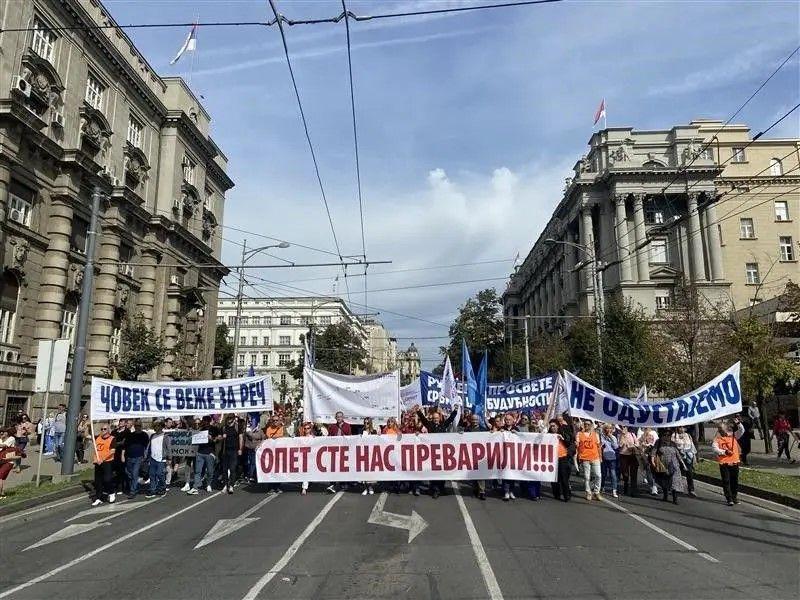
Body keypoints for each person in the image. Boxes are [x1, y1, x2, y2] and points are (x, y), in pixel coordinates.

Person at [415, 404, 458, 499]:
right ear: (432, 419)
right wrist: (418, 411)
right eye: (434, 418)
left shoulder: (443, 425)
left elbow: (450, 419)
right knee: (434, 472)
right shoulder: (429, 425)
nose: (436, 419)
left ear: (439, 418)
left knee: (442, 472)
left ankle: (441, 487)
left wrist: (455, 410)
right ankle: (435, 489)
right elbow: (423, 419)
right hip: (433, 453)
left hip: (442, 453)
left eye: (437, 418)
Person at [712, 420, 745, 506]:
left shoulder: (733, 436)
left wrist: (738, 423)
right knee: (726, 481)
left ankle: (734, 497)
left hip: (734, 462)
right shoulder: (717, 439)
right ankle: (729, 498)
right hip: (724, 463)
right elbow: (715, 449)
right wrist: (724, 452)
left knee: (734, 481)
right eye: (719, 429)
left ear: (726, 428)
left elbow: (741, 430)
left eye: (722, 428)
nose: (721, 431)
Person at [188, 416, 221, 495]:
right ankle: (195, 487)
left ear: (209, 421)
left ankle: (208, 484)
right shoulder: (201, 429)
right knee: (197, 471)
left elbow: (219, 439)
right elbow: (194, 437)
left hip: (210, 453)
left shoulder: (214, 429)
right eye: (204, 421)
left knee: (210, 471)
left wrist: (212, 438)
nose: (205, 422)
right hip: (200, 453)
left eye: (206, 421)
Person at [652, 431, 686, 504]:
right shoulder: (658, 443)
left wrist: (683, 464)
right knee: (665, 481)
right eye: (665, 435)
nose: (667, 436)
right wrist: (653, 462)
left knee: (675, 481)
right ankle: (665, 495)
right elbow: (653, 453)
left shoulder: (673, 444)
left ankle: (675, 498)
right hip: (663, 465)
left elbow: (678, 455)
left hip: (674, 465)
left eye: (669, 435)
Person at [123, 420, 150, 499]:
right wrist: (123, 455)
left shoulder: (144, 435)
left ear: (141, 426)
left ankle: (133, 491)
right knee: (128, 473)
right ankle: (135, 486)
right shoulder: (130, 435)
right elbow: (125, 445)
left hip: (139, 457)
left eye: (139, 426)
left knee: (135, 474)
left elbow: (147, 446)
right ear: (134, 426)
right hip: (129, 457)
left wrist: (145, 455)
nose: (137, 427)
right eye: (136, 426)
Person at [92, 424, 116, 506]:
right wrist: (88, 426)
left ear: (108, 430)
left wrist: (103, 459)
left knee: (107, 479)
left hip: (107, 462)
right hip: (98, 462)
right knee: (98, 481)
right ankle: (98, 498)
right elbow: (87, 436)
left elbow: (112, 451)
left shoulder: (112, 439)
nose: (103, 430)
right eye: (101, 429)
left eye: (105, 429)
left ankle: (111, 492)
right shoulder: (97, 438)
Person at [577, 421, 602, 500]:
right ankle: (588, 492)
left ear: (591, 425)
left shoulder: (596, 435)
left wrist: (600, 457)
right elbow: (577, 444)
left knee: (598, 475)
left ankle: (596, 492)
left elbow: (598, 447)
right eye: (585, 424)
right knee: (587, 477)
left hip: (595, 457)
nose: (586, 425)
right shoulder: (579, 434)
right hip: (585, 458)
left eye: (588, 424)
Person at [549, 419, 572, 502]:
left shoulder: (562, 433)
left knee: (564, 477)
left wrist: (563, 438)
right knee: (554, 478)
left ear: (557, 426)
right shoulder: (548, 435)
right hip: (552, 459)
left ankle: (567, 495)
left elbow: (569, 443)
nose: (552, 428)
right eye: (551, 426)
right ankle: (556, 494)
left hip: (562, 457)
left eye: (554, 426)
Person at [146, 421, 170, 498]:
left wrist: (169, 458)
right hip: (153, 458)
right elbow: (149, 446)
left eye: (157, 426)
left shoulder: (165, 436)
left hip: (161, 459)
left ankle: (163, 488)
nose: (156, 427)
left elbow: (168, 448)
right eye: (155, 426)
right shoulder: (152, 435)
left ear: (161, 426)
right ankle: (153, 490)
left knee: (160, 474)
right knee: (152, 475)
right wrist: (146, 455)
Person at [671, 426, 697, 497]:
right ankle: (677, 488)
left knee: (690, 472)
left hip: (688, 456)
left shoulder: (688, 435)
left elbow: (692, 446)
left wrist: (694, 456)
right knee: (677, 472)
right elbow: (673, 446)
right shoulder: (674, 435)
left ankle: (691, 489)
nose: (681, 429)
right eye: (680, 427)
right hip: (678, 456)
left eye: (683, 428)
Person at [221, 414, 244, 494]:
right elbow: (219, 438)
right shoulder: (224, 428)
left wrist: (240, 449)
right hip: (225, 450)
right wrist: (222, 437)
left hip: (234, 450)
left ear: (234, 418)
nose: (229, 419)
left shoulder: (237, 427)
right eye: (228, 418)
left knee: (232, 468)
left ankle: (231, 485)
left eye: (230, 418)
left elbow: (241, 438)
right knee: (224, 469)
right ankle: (225, 485)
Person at [264, 414, 286, 493]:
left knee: (278, 470)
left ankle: (277, 486)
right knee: (271, 470)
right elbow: (269, 438)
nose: (275, 422)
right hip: (270, 452)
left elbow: (282, 437)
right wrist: (275, 438)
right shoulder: (269, 429)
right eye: (274, 420)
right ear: (271, 421)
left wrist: (275, 438)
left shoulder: (281, 428)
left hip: (279, 452)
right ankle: (271, 487)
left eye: (277, 420)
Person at [617, 424, 639, 497]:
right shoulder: (621, 435)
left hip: (632, 455)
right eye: (623, 427)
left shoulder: (632, 434)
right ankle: (626, 484)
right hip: (624, 456)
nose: (624, 428)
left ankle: (634, 491)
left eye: (625, 427)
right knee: (625, 473)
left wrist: (632, 446)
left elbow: (637, 444)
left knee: (633, 474)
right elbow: (620, 445)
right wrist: (623, 436)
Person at [599, 424, 619, 498]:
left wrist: (610, 437)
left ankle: (614, 490)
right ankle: (602, 487)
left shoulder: (613, 437)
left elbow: (616, 446)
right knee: (603, 473)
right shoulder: (602, 436)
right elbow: (600, 445)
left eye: (610, 428)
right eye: (607, 428)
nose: (608, 430)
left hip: (612, 458)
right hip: (604, 457)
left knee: (613, 474)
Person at [360, 417, 378, 496]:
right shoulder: (361, 431)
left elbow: (377, 441)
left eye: (367, 423)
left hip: (372, 452)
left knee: (371, 471)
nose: (366, 424)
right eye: (365, 423)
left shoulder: (374, 431)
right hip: (363, 452)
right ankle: (365, 488)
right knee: (364, 471)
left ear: (370, 423)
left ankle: (370, 487)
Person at [639, 427, 659, 496]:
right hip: (645, 455)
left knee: (653, 470)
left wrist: (650, 446)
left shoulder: (654, 433)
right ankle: (652, 486)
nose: (646, 428)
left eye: (647, 427)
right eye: (645, 427)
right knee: (648, 470)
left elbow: (656, 443)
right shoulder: (642, 434)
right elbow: (640, 444)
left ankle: (654, 485)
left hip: (653, 454)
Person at [111, 419, 129, 493]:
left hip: (123, 453)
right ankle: (116, 485)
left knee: (122, 470)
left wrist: (117, 444)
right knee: (115, 470)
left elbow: (124, 443)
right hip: (114, 453)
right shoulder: (114, 432)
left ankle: (122, 487)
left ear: (125, 423)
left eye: (122, 422)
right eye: (120, 421)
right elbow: (111, 441)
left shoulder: (127, 432)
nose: (120, 423)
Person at [299, 422, 315, 495]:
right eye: (305, 428)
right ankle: (304, 488)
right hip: (303, 457)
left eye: (308, 428)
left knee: (311, 472)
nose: (306, 430)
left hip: (312, 457)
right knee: (305, 473)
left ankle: (309, 483)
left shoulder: (313, 437)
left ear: (310, 429)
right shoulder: (300, 438)